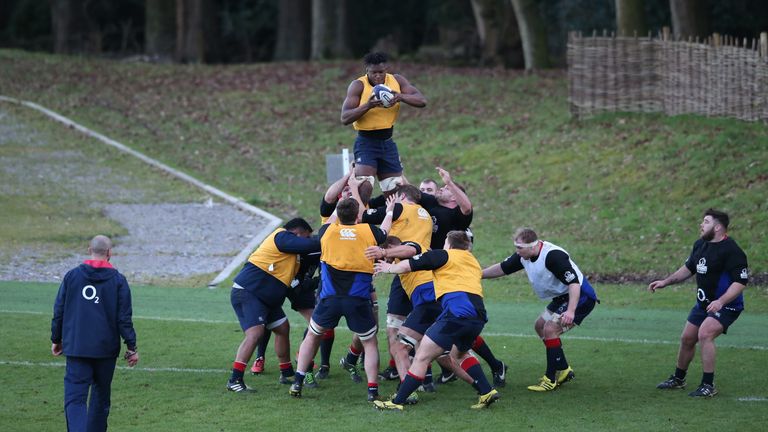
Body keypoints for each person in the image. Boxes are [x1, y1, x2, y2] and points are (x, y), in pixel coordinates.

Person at [373, 231, 499, 411]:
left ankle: (397, 402)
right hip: (477, 315)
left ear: (449, 244)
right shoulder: (472, 260)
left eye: (445, 242)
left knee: (422, 356)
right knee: (460, 354)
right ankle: (486, 391)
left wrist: (388, 268)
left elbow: (410, 264)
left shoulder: (443, 255)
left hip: (456, 314)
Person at [289, 196, 395, 402]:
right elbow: (385, 230)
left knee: (312, 337)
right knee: (369, 342)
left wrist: (340, 204)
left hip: (330, 299)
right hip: (358, 300)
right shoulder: (368, 231)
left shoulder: (327, 231)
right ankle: (372, 390)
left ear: (338, 214)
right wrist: (389, 210)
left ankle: (297, 382)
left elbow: (331, 220)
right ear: (358, 215)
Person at [482, 227, 598, 392]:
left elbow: (574, 284)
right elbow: (502, 268)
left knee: (550, 329)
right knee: (540, 325)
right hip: (562, 297)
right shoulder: (525, 255)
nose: (517, 251)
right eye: (516, 247)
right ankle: (564, 369)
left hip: (580, 297)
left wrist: (571, 311)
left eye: (520, 248)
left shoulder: (553, 257)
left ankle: (550, 379)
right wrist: (477, 274)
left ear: (533, 246)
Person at [649, 209, 749, 398]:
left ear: (718, 227)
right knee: (687, 338)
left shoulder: (732, 251)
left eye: (706, 221)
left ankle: (708, 385)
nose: (701, 225)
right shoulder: (700, 245)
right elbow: (688, 269)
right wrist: (665, 282)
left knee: (705, 333)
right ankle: (678, 379)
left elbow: (740, 282)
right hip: (703, 304)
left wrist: (721, 301)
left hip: (727, 305)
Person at [50, 235, 139, 432]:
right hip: (105, 350)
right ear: (110, 253)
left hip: (77, 347)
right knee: (100, 397)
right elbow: (124, 318)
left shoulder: (72, 276)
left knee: (75, 399)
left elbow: (59, 311)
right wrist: (131, 347)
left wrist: (56, 339)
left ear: (89, 249)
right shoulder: (118, 281)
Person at [227, 218, 320, 392]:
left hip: (264, 298)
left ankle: (286, 372)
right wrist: (329, 236)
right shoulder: (280, 237)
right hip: (249, 292)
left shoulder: (290, 252)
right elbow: (310, 246)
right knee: (255, 334)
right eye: (305, 237)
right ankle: (235, 380)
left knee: (282, 328)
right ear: (296, 233)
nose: (306, 241)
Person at [340, 51, 427, 192]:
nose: (378, 76)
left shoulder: (397, 81)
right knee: (364, 185)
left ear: (386, 69)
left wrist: (400, 97)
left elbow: (422, 101)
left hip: (387, 143)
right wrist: (368, 105)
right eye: (373, 72)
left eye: (381, 72)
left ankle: (390, 213)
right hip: (366, 142)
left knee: (395, 188)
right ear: (367, 70)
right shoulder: (358, 85)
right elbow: (345, 118)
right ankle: (360, 214)